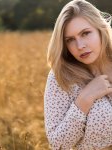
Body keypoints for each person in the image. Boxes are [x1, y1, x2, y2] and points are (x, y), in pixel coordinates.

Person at [44, 0, 112, 150]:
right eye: (70, 40)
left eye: (86, 33)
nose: (80, 46)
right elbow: (58, 144)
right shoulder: (61, 77)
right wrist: (85, 99)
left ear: (100, 29)